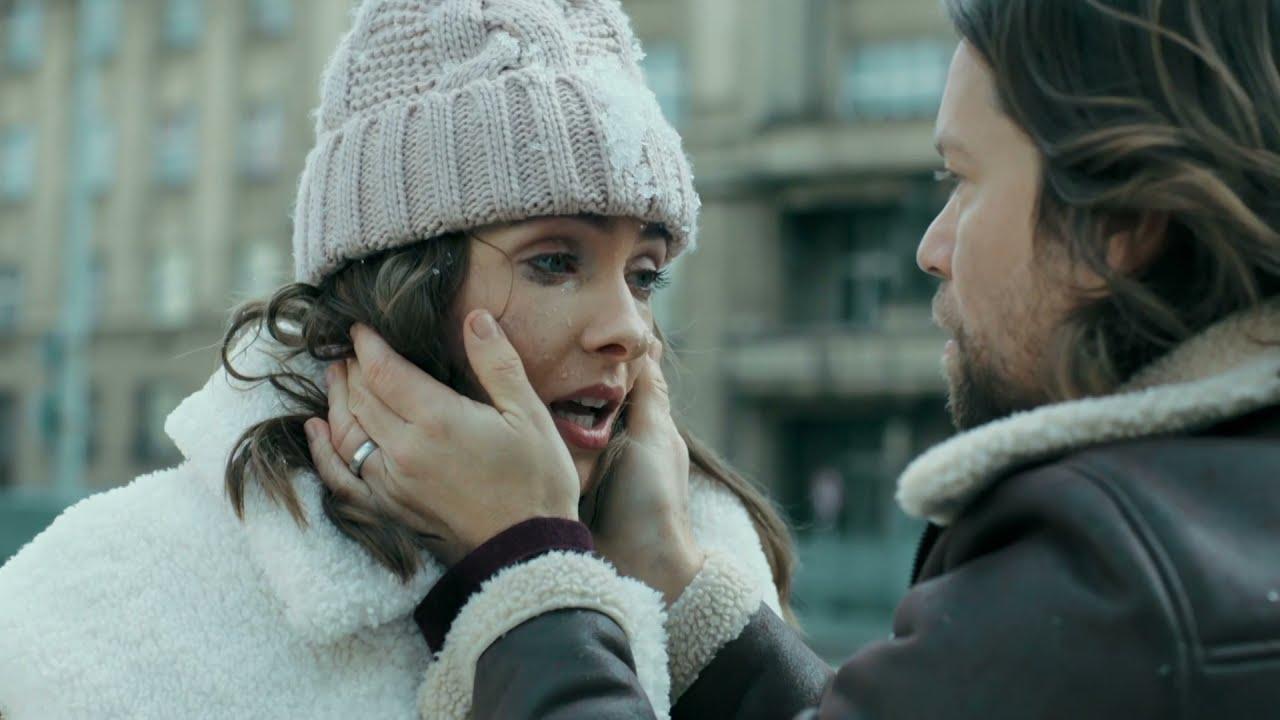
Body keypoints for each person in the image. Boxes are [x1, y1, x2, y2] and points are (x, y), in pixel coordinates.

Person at [306, 0, 1280, 717]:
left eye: (963, 181)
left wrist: (524, 562)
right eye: (556, 261)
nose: (930, 247)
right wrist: (675, 585)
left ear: (1121, 222)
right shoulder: (1202, 539)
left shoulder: (1114, 590)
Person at [0, 1, 801, 718]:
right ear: (400, 288)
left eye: (646, 275)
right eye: (555, 262)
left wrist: (639, 579)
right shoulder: (99, 610)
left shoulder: (700, 561)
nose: (630, 329)